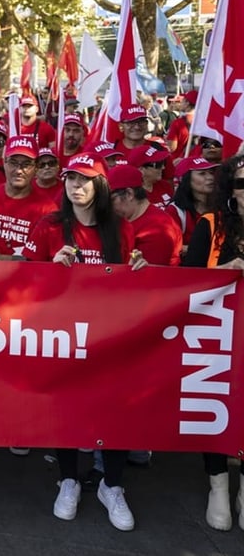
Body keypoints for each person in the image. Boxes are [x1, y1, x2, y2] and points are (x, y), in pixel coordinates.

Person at [23, 153, 147, 532]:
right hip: (63, 336)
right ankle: (69, 480)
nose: (77, 186)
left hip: (110, 338)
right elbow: (23, 282)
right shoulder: (48, 226)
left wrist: (140, 271)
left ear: (101, 185)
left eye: (86, 180)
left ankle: (112, 484)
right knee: (66, 409)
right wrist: (48, 269)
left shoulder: (121, 229)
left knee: (114, 410)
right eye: (71, 179)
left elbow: (132, 287)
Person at [183, 153, 244, 531]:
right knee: (217, 409)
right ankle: (218, 485)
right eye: (241, 183)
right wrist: (223, 273)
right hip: (217, 338)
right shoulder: (211, 225)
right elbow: (183, 285)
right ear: (230, 191)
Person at [107, 165, 182, 266]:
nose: (108, 206)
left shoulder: (157, 229)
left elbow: (147, 277)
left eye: (111, 200)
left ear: (129, 194)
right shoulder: (127, 219)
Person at [167, 156, 217, 252]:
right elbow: (170, 246)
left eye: (211, 173)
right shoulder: (175, 211)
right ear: (186, 179)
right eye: (202, 173)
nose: (210, 177)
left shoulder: (220, 207)